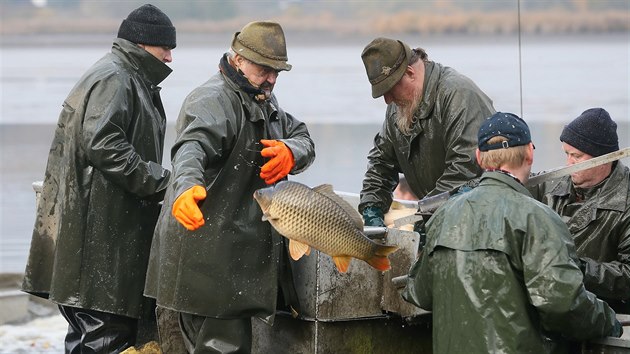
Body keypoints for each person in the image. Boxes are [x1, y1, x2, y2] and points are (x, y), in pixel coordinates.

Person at [143, 21, 315, 353]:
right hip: (204, 262)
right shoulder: (211, 101)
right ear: (237, 59)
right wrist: (185, 188)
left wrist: (293, 151)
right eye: (265, 69)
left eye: (277, 71)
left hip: (237, 262)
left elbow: (303, 135)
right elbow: (191, 148)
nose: (272, 78)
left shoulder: (265, 99)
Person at [21, 4, 176, 352]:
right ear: (141, 44)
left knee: (93, 341)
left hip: (98, 249)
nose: (169, 57)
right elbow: (103, 143)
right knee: (102, 341)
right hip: (99, 254)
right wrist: (161, 181)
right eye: (165, 48)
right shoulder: (116, 78)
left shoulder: (125, 76)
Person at [402, 112, 623, 353]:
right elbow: (561, 302)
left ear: (478, 157)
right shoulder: (539, 218)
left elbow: (419, 293)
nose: (569, 163)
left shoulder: (443, 216)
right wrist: (607, 320)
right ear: (530, 153)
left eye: (576, 156)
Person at [358, 37, 495, 228]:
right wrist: (372, 206)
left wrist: (426, 215)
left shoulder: (459, 95)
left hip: (479, 219)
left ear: (410, 73)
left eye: (390, 89)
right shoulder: (399, 107)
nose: (388, 100)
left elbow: (466, 170)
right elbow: (381, 163)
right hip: (440, 214)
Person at [537, 108, 630, 314]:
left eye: (577, 156)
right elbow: (513, 185)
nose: (568, 163)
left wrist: (577, 268)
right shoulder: (550, 184)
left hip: (606, 313)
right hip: (550, 305)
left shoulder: (626, 201)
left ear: (604, 159)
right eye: (567, 154)